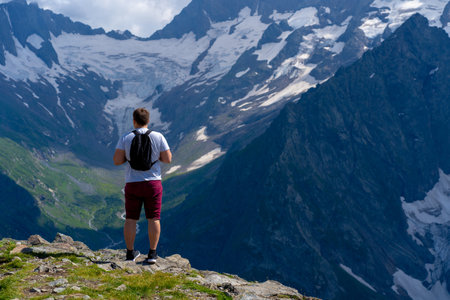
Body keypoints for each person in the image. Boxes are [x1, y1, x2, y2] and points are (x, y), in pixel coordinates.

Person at [113, 107, 172, 263]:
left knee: (131, 219)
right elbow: (167, 159)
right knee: (154, 218)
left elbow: (117, 161)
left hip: (132, 183)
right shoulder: (158, 136)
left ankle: (130, 253)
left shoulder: (126, 137)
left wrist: (129, 157)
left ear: (134, 121)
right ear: (148, 121)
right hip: (153, 182)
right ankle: (152, 254)